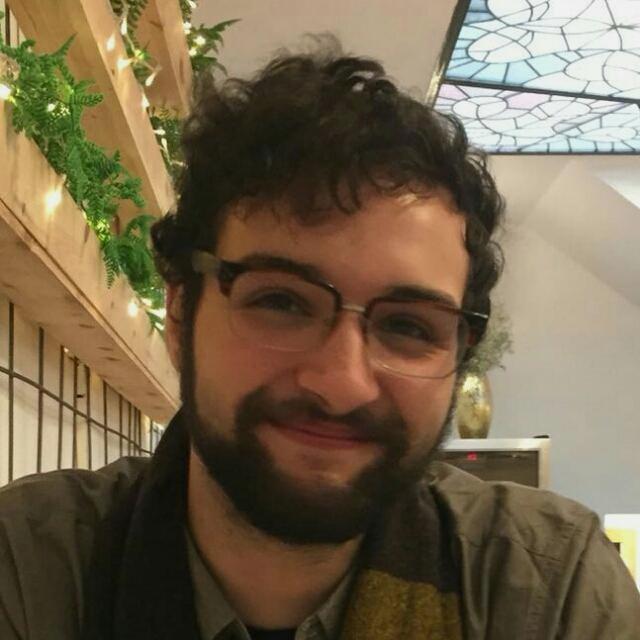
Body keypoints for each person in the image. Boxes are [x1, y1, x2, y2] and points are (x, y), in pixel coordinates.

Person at [1, 37, 639, 640]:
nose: (342, 385)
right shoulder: (28, 568)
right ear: (181, 313)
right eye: (281, 301)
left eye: (408, 326)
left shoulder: (550, 587)